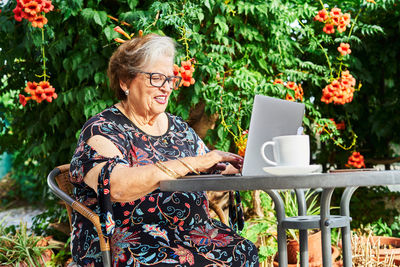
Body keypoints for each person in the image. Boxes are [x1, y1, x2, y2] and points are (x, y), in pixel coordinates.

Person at [69, 33, 259, 266]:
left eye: (170, 79)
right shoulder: (102, 129)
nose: (167, 88)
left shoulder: (178, 127)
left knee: (244, 251)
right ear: (125, 81)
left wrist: (227, 167)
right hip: (130, 240)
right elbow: (116, 186)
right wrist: (196, 163)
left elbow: (205, 167)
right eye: (156, 78)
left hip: (193, 233)